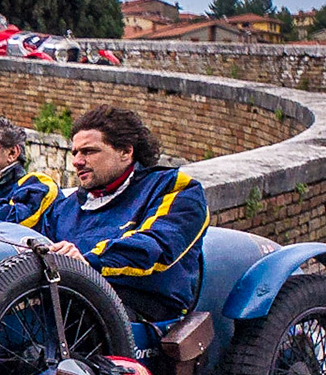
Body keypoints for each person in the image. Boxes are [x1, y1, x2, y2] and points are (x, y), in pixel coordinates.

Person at [40, 105, 209, 321]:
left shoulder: (174, 188)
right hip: (69, 299)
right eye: (75, 153)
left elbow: (157, 245)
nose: (77, 161)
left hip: (142, 309)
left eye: (89, 151)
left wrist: (88, 261)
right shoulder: (64, 208)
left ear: (126, 152)